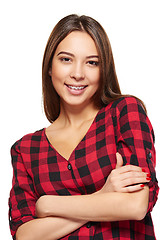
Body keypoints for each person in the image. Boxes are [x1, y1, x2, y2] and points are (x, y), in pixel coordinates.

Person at [9, 14, 159, 240]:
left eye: (92, 62)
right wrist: (104, 196)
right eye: (66, 59)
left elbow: (136, 205)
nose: (77, 74)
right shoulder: (26, 149)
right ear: (50, 67)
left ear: (103, 70)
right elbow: (25, 235)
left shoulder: (124, 112)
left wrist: (48, 204)